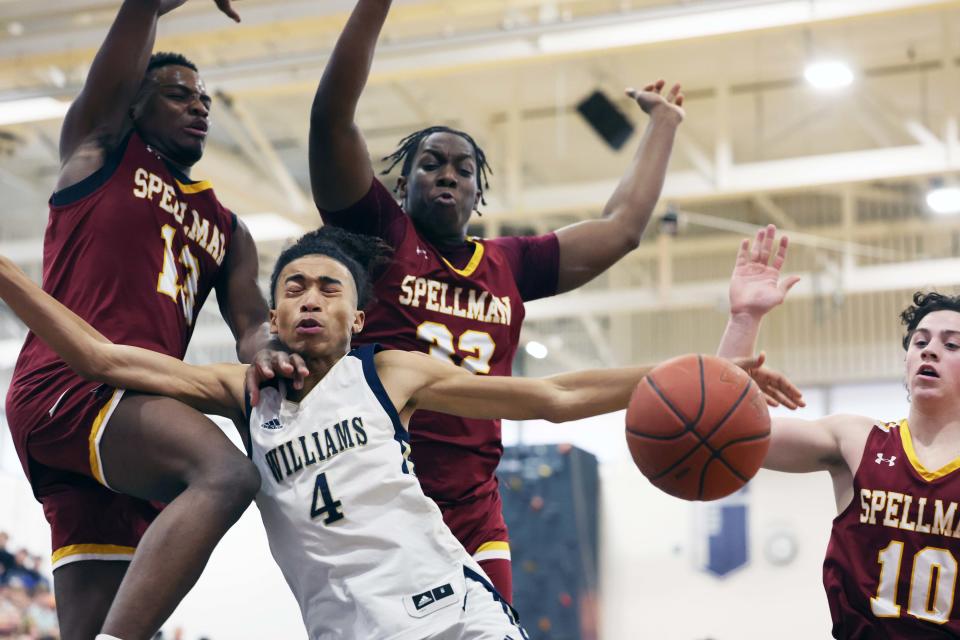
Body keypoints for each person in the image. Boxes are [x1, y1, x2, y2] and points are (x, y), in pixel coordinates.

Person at [0, 226, 800, 639]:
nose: (311, 298)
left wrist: (705, 364)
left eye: (329, 289)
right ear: (275, 314)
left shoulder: (393, 373)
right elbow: (101, 355)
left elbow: (554, 395)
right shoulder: (240, 391)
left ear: (355, 315)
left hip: (453, 609)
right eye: (295, 289)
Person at [305, 0, 686, 600]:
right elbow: (331, 121)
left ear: (479, 192)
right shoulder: (380, 236)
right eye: (429, 164)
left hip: (475, 503)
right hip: (381, 485)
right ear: (402, 183)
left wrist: (662, 123)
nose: (446, 174)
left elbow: (621, 228)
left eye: (462, 167)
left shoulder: (508, 263)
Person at [2, 1, 298, 638]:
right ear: (135, 104)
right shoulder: (99, 150)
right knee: (226, 473)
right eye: (176, 94)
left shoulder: (228, 227)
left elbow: (249, 325)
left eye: (203, 99)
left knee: (96, 620)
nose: (198, 106)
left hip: (127, 409)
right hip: (71, 384)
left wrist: (271, 346)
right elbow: (113, 67)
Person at [718, 225, 960, 636]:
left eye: (952, 344)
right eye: (920, 342)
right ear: (906, 362)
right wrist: (745, 318)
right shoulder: (856, 440)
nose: (930, 350)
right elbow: (724, 435)